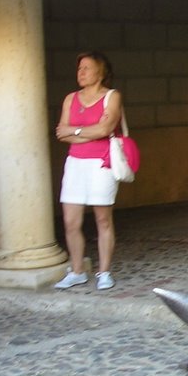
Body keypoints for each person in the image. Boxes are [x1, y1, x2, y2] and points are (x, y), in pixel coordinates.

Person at [53, 51, 123, 291]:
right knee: (71, 221)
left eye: (86, 68)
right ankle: (77, 271)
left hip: (102, 164)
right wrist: (88, 131)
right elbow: (61, 133)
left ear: (100, 72)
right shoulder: (70, 99)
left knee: (103, 218)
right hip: (75, 164)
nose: (80, 73)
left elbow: (106, 128)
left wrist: (77, 132)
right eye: (79, 68)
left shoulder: (111, 97)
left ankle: (104, 271)